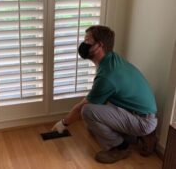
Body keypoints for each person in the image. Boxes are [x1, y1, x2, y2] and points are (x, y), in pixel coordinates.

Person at [52, 25, 158, 164]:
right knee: (94, 117)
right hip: (138, 113)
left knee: (87, 111)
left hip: (143, 121)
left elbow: (81, 107)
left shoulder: (107, 76)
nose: (83, 44)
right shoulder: (111, 59)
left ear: (99, 46)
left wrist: (62, 124)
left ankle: (120, 148)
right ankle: (133, 136)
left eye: (87, 40)